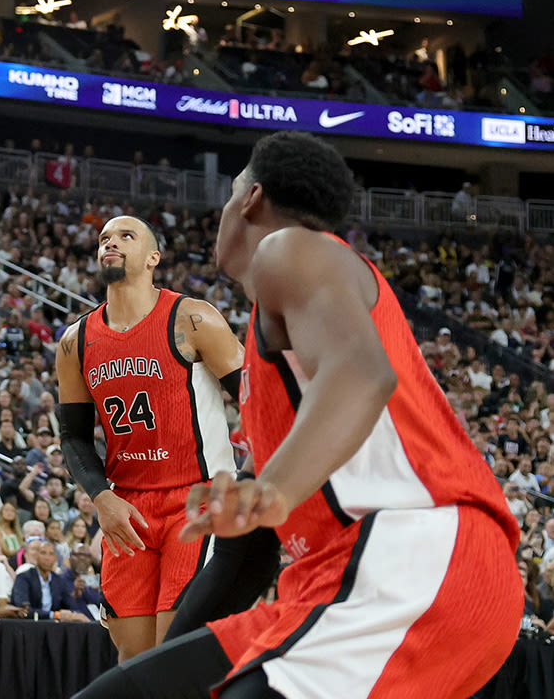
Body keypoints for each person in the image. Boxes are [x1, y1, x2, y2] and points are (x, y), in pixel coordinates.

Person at [75, 132, 522, 699]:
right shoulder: (286, 349)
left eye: (232, 190)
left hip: (415, 556)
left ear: (251, 199)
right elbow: (246, 558)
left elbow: (362, 374)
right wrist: (161, 665)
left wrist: (272, 491)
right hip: (352, 577)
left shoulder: (290, 249)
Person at [56, 214, 242, 660]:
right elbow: (74, 437)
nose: (110, 242)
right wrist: (101, 497)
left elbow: (256, 397)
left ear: (153, 258)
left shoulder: (193, 318)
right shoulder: (75, 340)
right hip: (128, 507)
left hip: (198, 500)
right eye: (104, 238)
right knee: (132, 659)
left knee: (173, 654)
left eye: (125, 235)